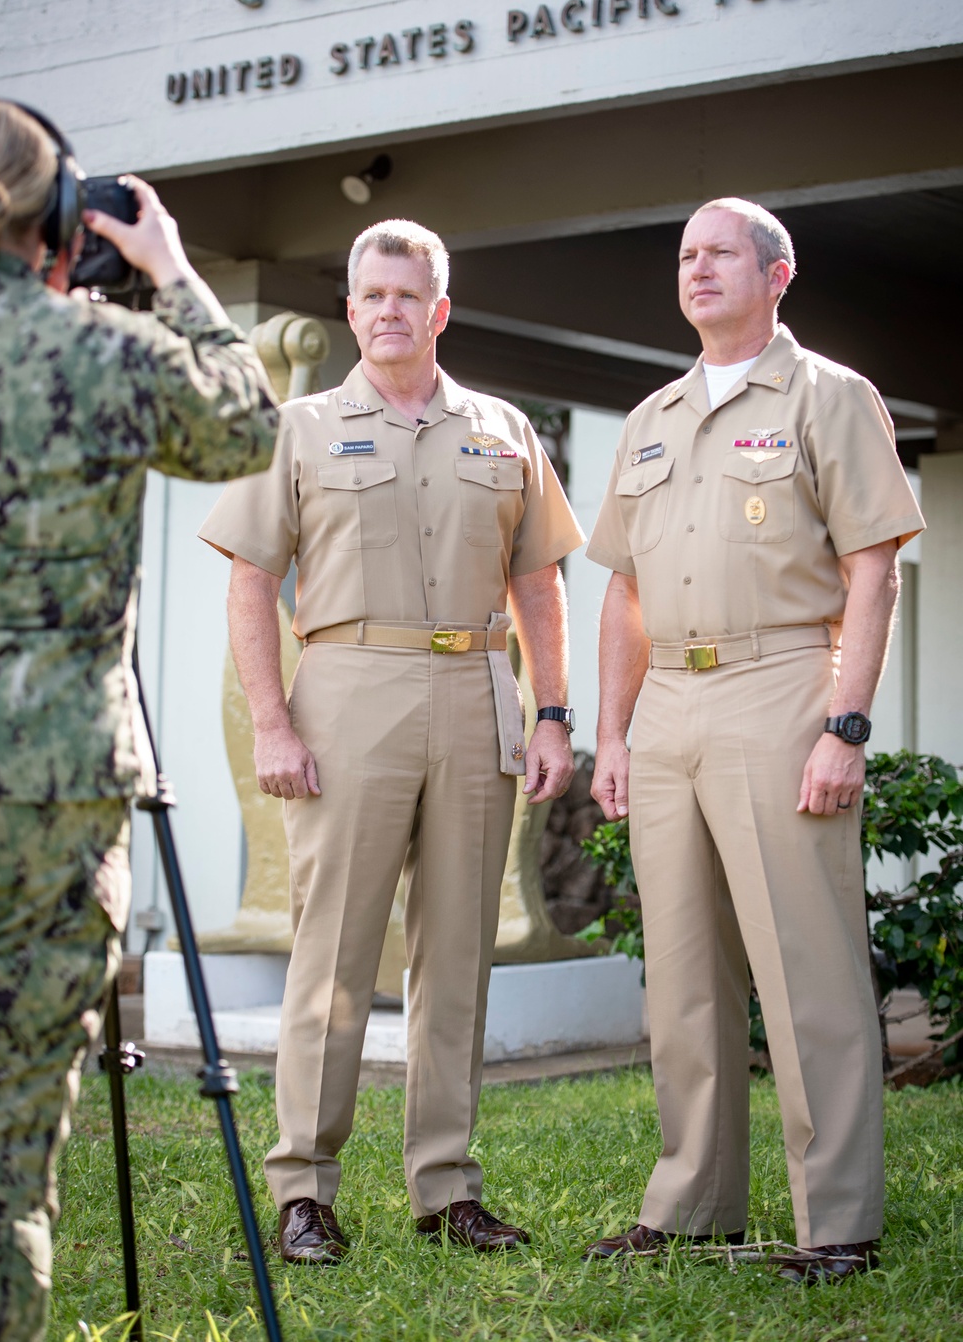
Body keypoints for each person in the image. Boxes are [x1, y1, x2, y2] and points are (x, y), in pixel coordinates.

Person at [200, 218, 584, 1262]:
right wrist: (273, 720)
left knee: (458, 950)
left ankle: (445, 1187)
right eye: (368, 295)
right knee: (333, 949)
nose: (384, 311)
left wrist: (551, 710)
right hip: (348, 692)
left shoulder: (502, 429)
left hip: (475, 690)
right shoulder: (302, 428)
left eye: (404, 295)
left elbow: (539, 584)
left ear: (438, 309)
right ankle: (304, 1189)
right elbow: (248, 583)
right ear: (351, 307)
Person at [0, 96, 279, 1342]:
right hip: (44, 804)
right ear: (56, 218)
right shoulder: (97, 353)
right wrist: (175, 274)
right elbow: (246, 421)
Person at [582, 198, 924, 1284]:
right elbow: (622, 592)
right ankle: (693, 1203)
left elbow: (874, 568)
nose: (697, 269)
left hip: (781, 688)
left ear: (778, 274)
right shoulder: (652, 415)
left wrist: (845, 726)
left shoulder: (829, 397)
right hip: (668, 708)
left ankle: (836, 1223)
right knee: (680, 973)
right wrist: (611, 732)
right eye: (684, 254)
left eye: (720, 252)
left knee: (805, 966)